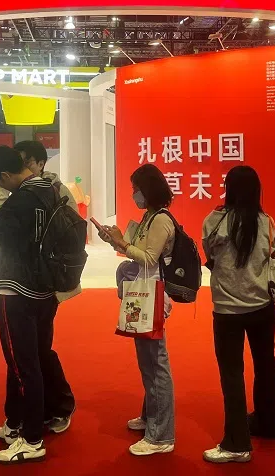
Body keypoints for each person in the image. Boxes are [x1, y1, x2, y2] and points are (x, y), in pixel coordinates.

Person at [0, 146, 75, 464]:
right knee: (33, 361)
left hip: (17, 290)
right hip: (45, 290)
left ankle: (31, 439)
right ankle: (21, 424)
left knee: (22, 367)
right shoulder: (51, 191)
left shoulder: (21, 200)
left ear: (4, 175)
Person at [201, 166, 275, 464]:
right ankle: (269, 424)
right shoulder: (266, 221)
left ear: (229, 188)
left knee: (232, 373)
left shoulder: (215, 220)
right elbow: (271, 253)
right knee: (266, 365)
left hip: (228, 309)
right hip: (262, 307)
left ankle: (236, 443)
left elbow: (209, 256)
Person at [101, 164, 176, 457]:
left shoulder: (160, 220)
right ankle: (151, 418)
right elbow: (138, 251)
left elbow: (148, 258)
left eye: (136, 189)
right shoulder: (150, 217)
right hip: (141, 292)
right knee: (148, 360)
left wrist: (121, 242)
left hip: (151, 294)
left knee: (156, 362)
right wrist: (118, 241)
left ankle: (161, 435)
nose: (133, 194)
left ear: (148, 190)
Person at [0, 140, 77, 216]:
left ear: (41, 164)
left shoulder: (58, 190)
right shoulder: (8, 188)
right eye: (15, 163)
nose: (19, 168)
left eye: (26, 163)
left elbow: (75, 226)